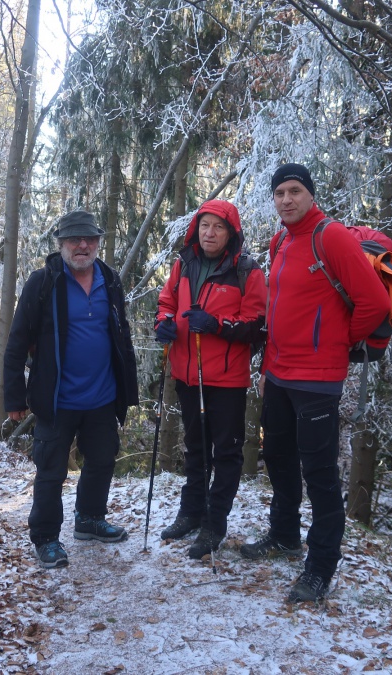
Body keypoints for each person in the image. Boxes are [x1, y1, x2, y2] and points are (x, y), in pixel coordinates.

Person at [240, 164, 390, 602]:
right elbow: (278, 310)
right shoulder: (281, 240)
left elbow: (375, 302)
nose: (286, 200)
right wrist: (267, 371)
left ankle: (320, 568)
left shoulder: (332, 237)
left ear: (310, 194)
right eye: (280, 193)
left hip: (317, 379)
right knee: (278, 457)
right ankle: (285, 534)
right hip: (279, 374)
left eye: (295, 191)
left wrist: (335, 343)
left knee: (320, 475)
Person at [3, 210, 139, 569]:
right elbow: (17, 342)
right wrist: (14, 397)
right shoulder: (44, 282)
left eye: (89, 239)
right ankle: (46, 537)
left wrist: (128, 389)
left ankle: (89, 519)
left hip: (102, 396)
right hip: (57, 398)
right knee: (51, 471)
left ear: (98, 242)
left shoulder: (110, 279)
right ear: (61, 244)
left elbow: (121, 335)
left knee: (102, 460)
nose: (83, 245)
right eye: (74, 239)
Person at [154, 199, 267, 560]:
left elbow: (256, 325)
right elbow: (166, 302)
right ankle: (190, 513)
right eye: (205, 225)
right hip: (187, 373)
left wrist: (216, 325)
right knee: (195, 448)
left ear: (231, 233)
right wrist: (164, 324)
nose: (210, 233)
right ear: (196, 229)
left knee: (227, 453)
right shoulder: (184, 264)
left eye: (218, 227)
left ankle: (214, 523)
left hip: (226, 379)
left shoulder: (246, 271)